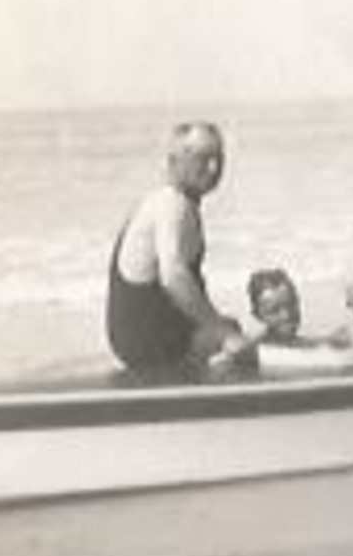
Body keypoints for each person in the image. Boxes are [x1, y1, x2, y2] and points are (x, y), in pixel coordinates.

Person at [105, 121, 253, 373]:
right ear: (174, 161)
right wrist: (222, 333)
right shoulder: (172, 204)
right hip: (146, 344)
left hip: (138, 337)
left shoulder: (173, 202)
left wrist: (220, 328)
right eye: (203, 158)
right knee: (236, 345)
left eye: (219, 158)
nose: (214, 168)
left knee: (229, 328)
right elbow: (173, 278)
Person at [247, 267, 318, 347]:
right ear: (257, 315)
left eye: (291, 304)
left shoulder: (305, 345)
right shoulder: (255, 354)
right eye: (274, 310)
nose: (286, 315)